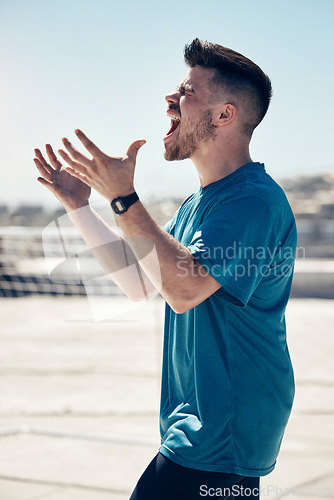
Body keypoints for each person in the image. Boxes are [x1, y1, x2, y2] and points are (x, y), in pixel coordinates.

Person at [34, 38, 297, 500]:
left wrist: (124, 198)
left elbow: (183, 290)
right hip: (197, 431)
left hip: (222, 436)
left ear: (224, 115)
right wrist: (80, 206)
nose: (170, 100)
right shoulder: (200, 203)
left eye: (188, 91)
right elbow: (140, 283)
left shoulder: (252, 200)